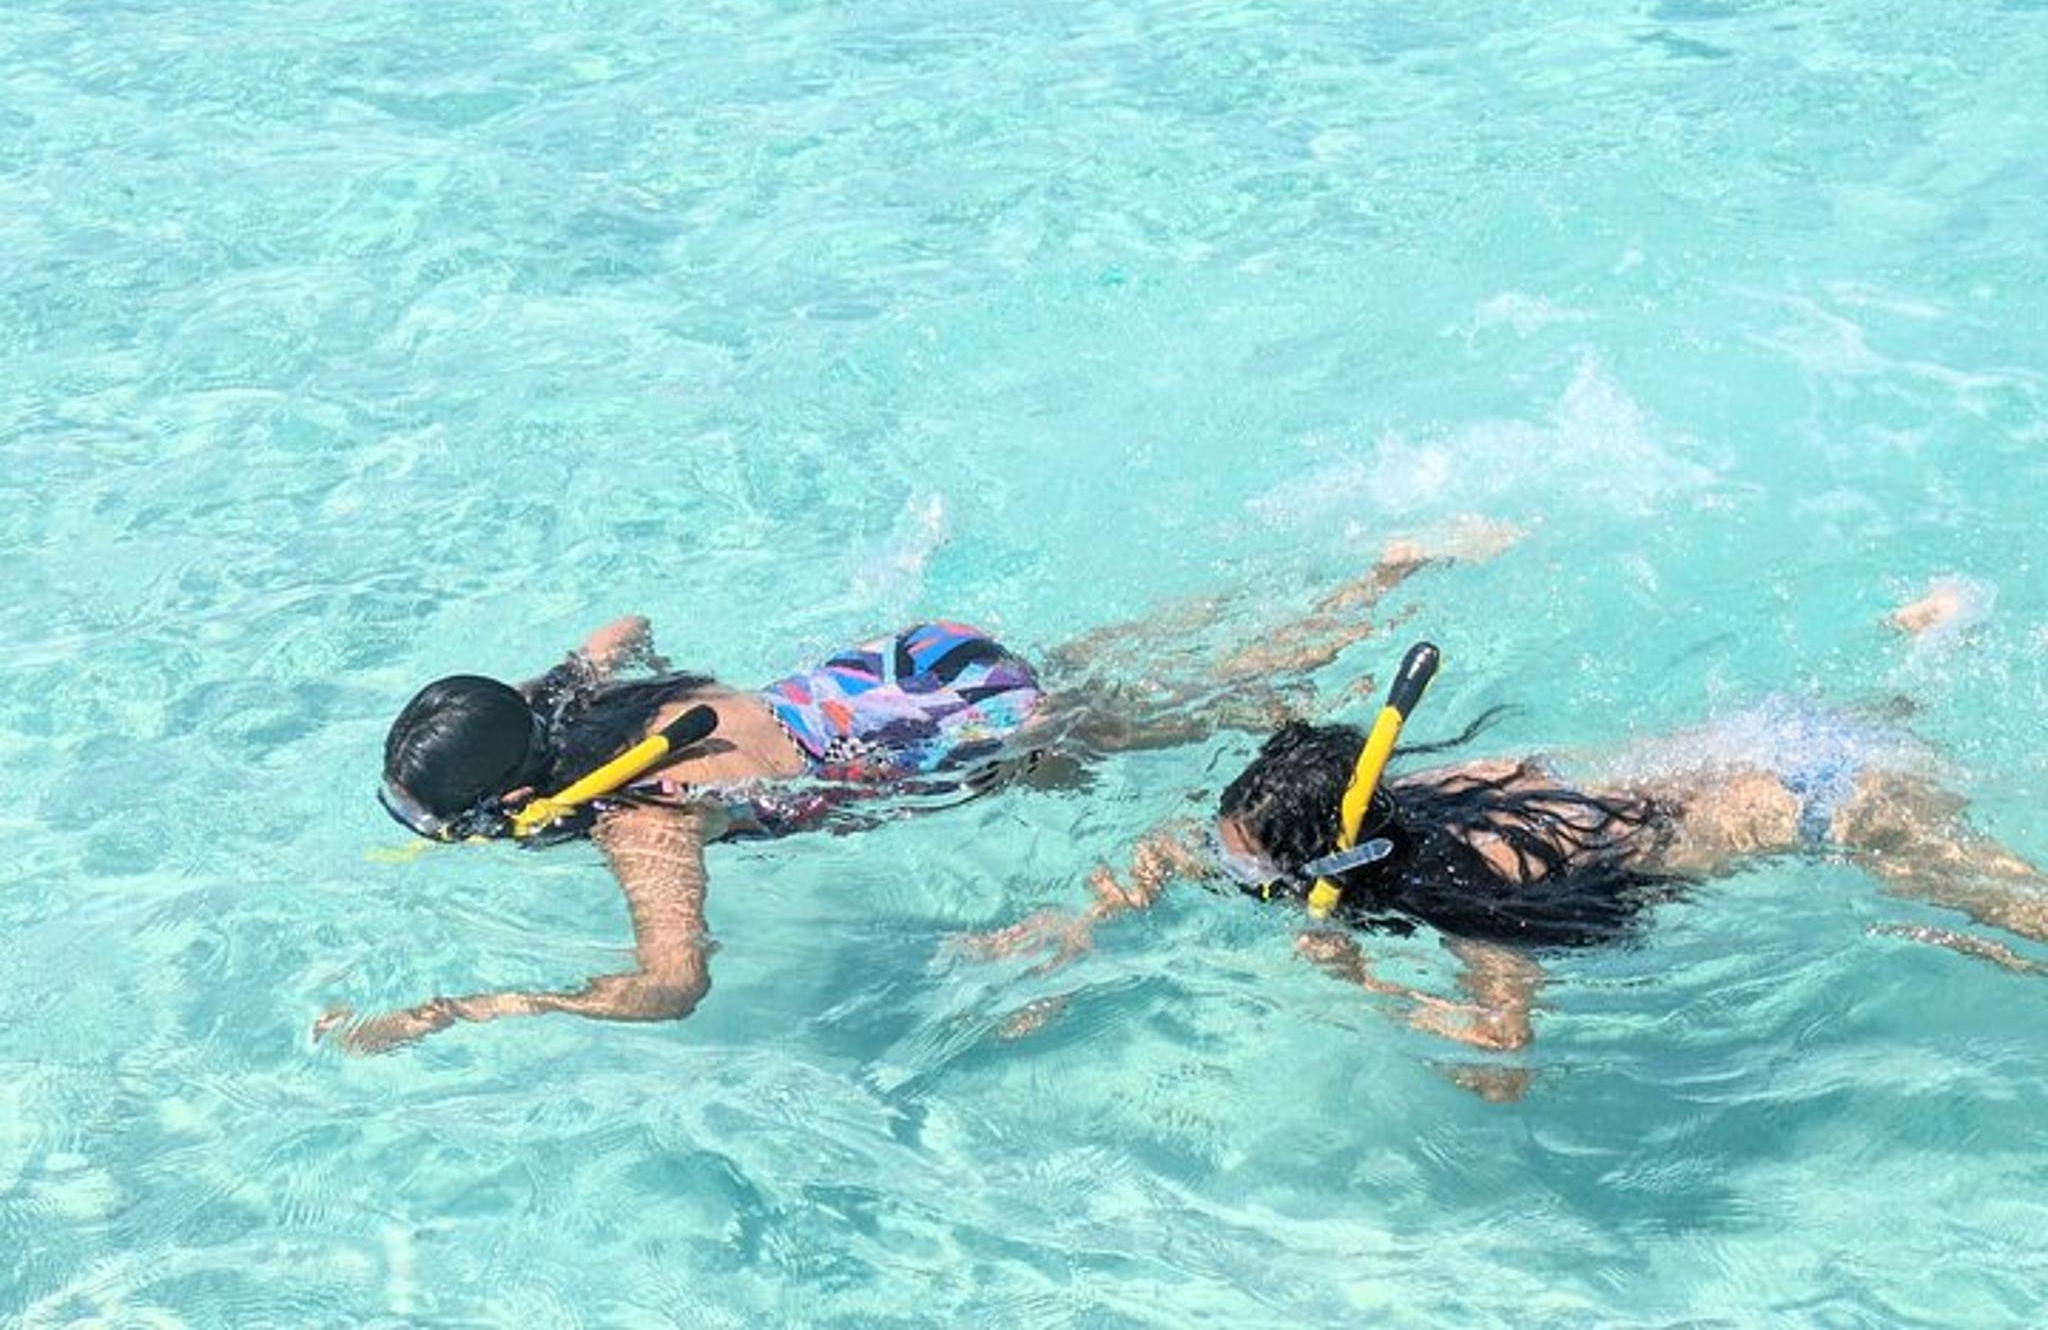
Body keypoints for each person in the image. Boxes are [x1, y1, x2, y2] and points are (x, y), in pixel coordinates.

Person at [320, 519, 1522, 1052]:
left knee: (1186, 710)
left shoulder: (638, 814)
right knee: (1132, 667)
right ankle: (1363, 574)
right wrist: (620, 668)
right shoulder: (575, 697)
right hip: (898, 669)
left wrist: (466, 1011)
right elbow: (624, 624)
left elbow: (672, 986)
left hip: (942, 746)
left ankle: (1387, 580)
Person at [965, 609, 2047, 1083]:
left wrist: (1362, 992)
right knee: (1898, 737)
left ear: (1328, 861)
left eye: (1248, 863)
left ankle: (1957, 631)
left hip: (1835, 810)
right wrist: (1077, 922)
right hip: (1773, 736)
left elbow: (1499, 1069)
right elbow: (1177, 846)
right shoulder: (1412, 799)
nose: (1225, 863)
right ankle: (1946, 629)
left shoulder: (1477, 889)